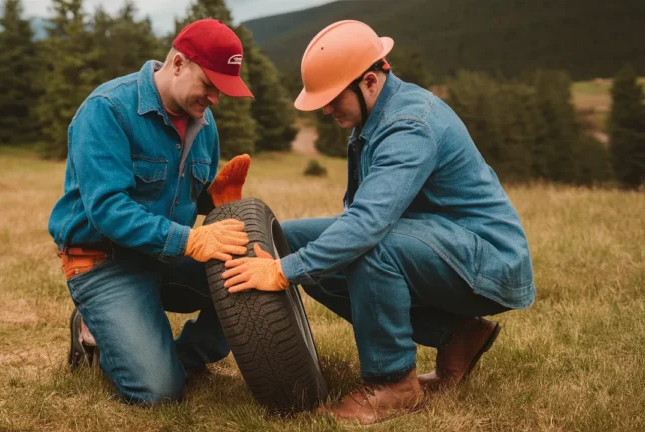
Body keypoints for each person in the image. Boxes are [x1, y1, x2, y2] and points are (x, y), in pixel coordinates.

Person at [222, 20, 535, 424]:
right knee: (293, 239)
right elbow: (356, 213)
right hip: (436, 245)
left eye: (333, 98)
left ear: (369, 80)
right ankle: (456, 335)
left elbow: (368, 224)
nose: (326, 108)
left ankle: (393, 384)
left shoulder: (410, 125)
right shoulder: (372, 117)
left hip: (488, 262)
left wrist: (284, 271)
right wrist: (290, 257)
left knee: (368, 244)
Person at [47, 18, 255, 405]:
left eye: (222, 91)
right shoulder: (106, 109)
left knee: (247, 273)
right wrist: (189, 239)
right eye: (209, 85)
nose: (214, 100)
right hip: (104, 262)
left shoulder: (203, 124)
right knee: (158, 391)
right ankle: (95, 330)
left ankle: (185, 356)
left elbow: (178, 198)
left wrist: (214, 200)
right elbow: (107, 210)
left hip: (167, 255)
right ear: (177, 64)